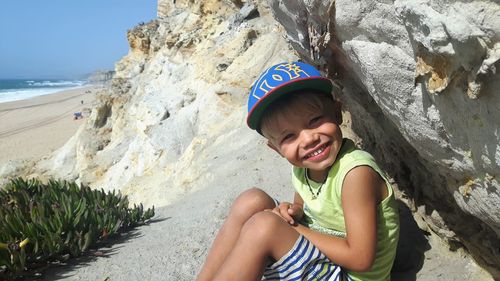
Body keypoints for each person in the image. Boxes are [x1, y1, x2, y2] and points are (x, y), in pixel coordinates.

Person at [197, 61, 400, 281]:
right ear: (276, 149)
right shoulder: (304, 169)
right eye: (289, 136)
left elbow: (361, 258)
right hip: (326, 262)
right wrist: (291, 212)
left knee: (264, 225)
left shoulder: (355, 174)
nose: (308, 139)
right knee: (252, 200)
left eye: (315, 120)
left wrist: (292, 228)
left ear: (337, 112)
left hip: (349, 275)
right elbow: (302, 211)